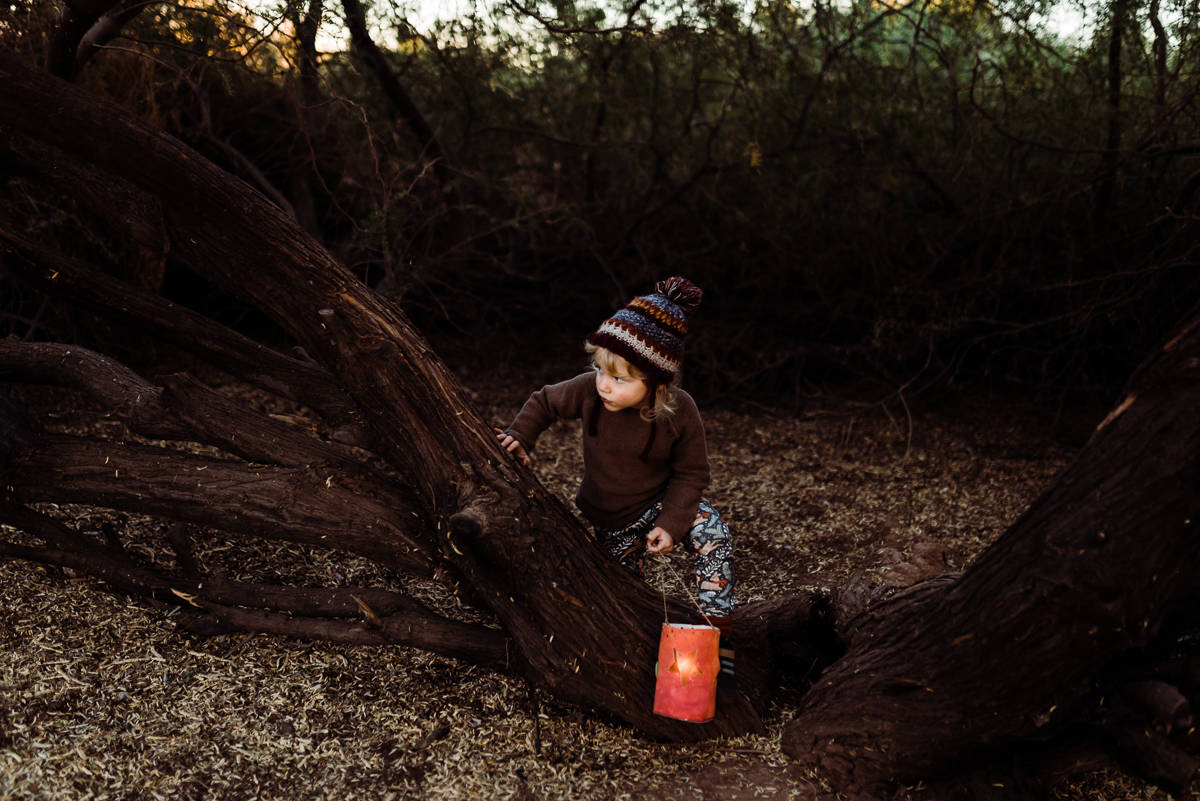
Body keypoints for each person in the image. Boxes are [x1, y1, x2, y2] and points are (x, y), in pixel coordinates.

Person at [496, 277, 735, 665]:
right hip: (612, 518)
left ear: (655, 382)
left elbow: (692, 473)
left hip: (660, 504)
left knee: (714, 533)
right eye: (600, 370)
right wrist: (520, 436)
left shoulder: (680, 410)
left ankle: (715, 638)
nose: (605, 385)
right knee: (622, 591)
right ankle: (643, 656)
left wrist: (672, 524)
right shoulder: (590, 391)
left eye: (620, 378)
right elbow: (543, 402)